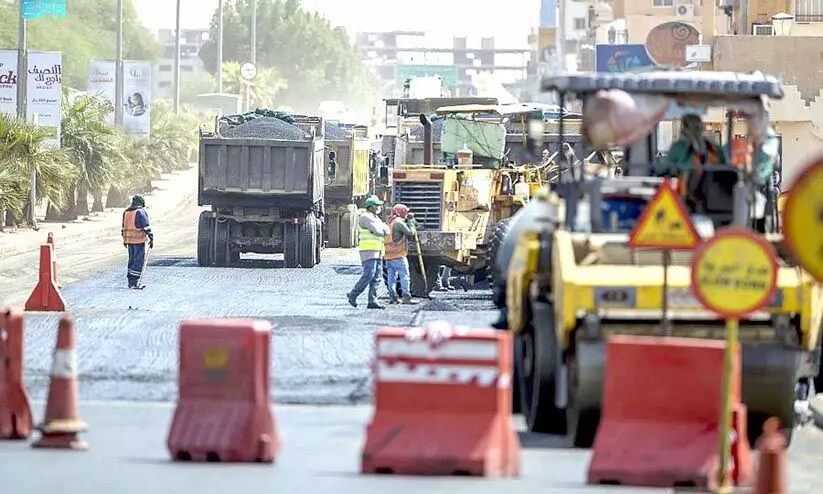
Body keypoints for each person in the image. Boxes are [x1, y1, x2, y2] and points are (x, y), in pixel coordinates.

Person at [653, 113, 729, 211]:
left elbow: (661, 169)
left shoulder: (679, 146)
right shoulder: (715, 148)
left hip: (687, 199)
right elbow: (725, 168)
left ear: (683, 128)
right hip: (715, 199)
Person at [347, 195, 391, 309]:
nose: (379, 207)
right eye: (377, 205)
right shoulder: (365, 217)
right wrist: (380, 229)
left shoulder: (376, 218)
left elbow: (387, 231)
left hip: (378, 250)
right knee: (369, 275)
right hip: (368, 251)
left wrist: (380, 229)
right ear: (371, 207)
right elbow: (379, 231)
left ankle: (372, 301)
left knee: (377, 276)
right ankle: (353, 294)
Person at [384, 203, 418, 305]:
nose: (406, 213)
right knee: (404, 276)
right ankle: (406, 297)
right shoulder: (399, 223)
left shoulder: (390, 222)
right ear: (401, 212)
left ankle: (392, 297)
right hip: (399, 256)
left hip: (388, 256)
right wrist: (411, 222)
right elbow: (410, 233)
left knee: (391, 277)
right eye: (405, 212)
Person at [121, 195, 154, 289]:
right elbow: (145, 226)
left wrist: (124, 239)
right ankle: (135, 281)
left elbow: (123, 227)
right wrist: (151, 237)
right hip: (138, 240)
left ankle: (130, 281)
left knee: (131, 260)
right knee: (138, 260)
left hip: (129, 240)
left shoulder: (126, 212)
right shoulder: (140, 212)